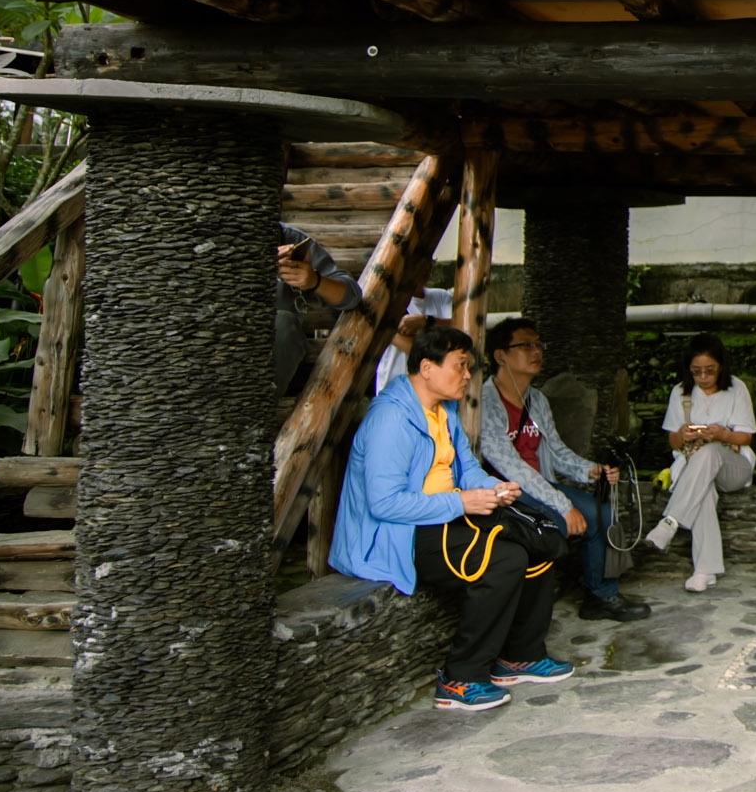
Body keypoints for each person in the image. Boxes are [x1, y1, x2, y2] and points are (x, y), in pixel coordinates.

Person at [329, 326, 573, 712]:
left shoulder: (443, 412)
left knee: (536, 541)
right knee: (503, 559)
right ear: (427, 367)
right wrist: (462, 504)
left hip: (440, 518)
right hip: (397, 536)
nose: (466, 376)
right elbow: (385, 504)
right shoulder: (391, 420)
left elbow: (467, 469)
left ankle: (520, 656)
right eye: (460, 366)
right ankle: (461, 677)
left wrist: (492, 488)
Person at [478, 317, 650, 623]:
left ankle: (601, 595)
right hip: (505, 494)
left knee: (603, 513)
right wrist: (564, 505)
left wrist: (590, 470)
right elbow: (511, 467)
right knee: (565, 520)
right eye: (525, 345)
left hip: (540, 487)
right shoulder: (484, 401)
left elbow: (556, 452)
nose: (536, 351)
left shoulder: (537, 400)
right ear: (499, 355)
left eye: (538, 344)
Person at [645, 334, 756, 593]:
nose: (704, 377)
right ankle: (705, 570)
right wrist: (681, 435)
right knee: (703, 489)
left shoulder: (736, 389)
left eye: (710, 371)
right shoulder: (680, 394)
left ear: (721, 366)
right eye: (697, 372)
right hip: (695, 470)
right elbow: (673, 442)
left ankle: (670, 521)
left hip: (733, 466)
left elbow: (746, 436)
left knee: (709, 454)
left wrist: (722, 435)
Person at [275, 222, 362, 392]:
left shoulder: (287, 238)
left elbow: (352, 295)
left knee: (284, 323)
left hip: (272, 357)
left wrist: (314, 281)